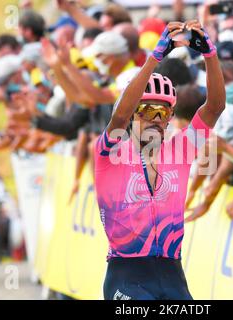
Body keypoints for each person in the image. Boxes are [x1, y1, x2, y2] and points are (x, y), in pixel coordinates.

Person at [94, 20, 224, 300]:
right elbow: (117, 116)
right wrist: (154, 58)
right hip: (126, 277)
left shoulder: (180, 150)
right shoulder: (109, 154)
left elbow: (214, 108)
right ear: (131, 115)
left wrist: (210, 55)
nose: (155, 119)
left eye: (162, 113)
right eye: (146, 110)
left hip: (172, 276)